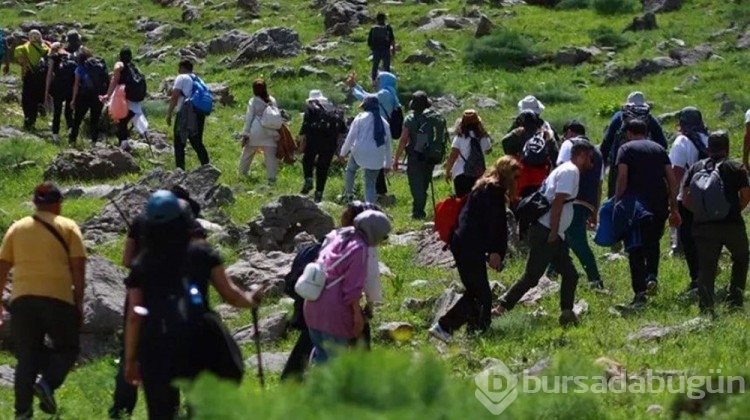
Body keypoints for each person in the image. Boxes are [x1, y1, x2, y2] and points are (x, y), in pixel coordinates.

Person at [122, 190, 262, 419]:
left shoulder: (141, 264)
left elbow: (135, 315)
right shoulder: (202, 253)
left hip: (156, 342)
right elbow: (230, 294)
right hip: (199, 338)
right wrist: (251, 299)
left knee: (161, 412)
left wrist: (130, 359)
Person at [109, 186, 202, 419]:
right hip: (181, 300)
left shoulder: (140, 221)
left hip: (141, 296)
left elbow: (127, 259)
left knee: (132, 349)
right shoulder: (191, 226)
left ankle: (121, 408)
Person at [0, 182, 87, 419]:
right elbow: (78, 269)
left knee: (27, 355)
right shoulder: (69, 227)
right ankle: (47, 384)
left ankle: (22, 412)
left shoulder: (17, 228)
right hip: (58, 297)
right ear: (58, 203)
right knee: (68, 348)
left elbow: (2, 268)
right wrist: (78, 302)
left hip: (23, 300)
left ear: (35, 204)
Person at [494, 140, 596, 326]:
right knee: (532, 276)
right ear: (581, 156)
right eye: (590, 157)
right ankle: (500, 308)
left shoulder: (565, 170)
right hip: (547, 231)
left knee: (570, 274)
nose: (593, 161)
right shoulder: (570, 171)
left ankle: (567, 312)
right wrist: (554, 232)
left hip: (552, 232)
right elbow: (558, 202)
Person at [281, 201, 385, 381]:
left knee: (316, 343)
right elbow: (366, 280)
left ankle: (292, 377)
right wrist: (368, 306)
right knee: (340, 350)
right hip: (336, 304)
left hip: (313, 297)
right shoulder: (362, 246)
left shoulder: (334, 236)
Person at [428, 156, 519, 343]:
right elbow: (497, 227)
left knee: (478, 291)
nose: (517, 181)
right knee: (480, 293)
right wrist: (496, 252)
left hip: (463, 243)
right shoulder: (494, 192)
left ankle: (476, 331)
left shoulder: (482, 187)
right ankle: (445, 326)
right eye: (515, 177)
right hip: (469, 246)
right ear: (507, 175)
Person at [304, 209, 392, 364]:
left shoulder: (339, 236)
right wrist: (357, 316)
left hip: (312, 304)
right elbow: (352, 288)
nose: (382, 241)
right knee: (336, 365)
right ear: (374, 232)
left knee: (321, 359)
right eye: (383, 236)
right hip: (333, 312)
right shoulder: (359, 248)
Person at [614, 119, 681, 308]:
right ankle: (652, 275)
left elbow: (622, 178)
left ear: (628, 133)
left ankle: (640, 293)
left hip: (635, 207)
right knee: (652, 242)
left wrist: (618, 202)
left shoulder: (625, 150)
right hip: (658, 204)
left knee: (635, 248)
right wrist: (673, 207)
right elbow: (671, 178)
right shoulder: (659, 149)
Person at [682, 131, 750, 314]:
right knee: (742, 257)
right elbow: (745, 195)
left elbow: (686, 197)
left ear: (708, 148)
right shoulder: (736, 167)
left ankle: (706, 308)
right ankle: (735, 300)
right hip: (732, 225)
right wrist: (734, 210)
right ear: (727, 147)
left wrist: (700, 212)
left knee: (706, 266)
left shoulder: (696, 167)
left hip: (703, 226)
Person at [552, 121, 605, 290]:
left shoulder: (569, 144)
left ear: (570, 133)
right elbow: (599, 184)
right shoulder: (597, 152)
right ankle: (550, 273)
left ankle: (595, 279)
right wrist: (595, 210)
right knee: (564, 239)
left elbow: (560, 169)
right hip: (586, 203)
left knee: (578, 242)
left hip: (569, 200)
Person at [668, 107, 709, 295]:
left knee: (689, 239)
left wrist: (672, 204)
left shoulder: (681, 142)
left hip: (687, 199)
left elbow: (676, 174)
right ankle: (708, 274)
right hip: (710, 197)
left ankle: (697, 279)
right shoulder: (708, 139)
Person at [392, 91, 449, 219]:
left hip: (416, 156)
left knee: (416, 184)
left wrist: (396, 159)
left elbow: (403, 139)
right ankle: (420, 207)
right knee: (424, 182)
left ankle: (418, 212)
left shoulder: (410, 119)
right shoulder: (434, 118)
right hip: (432, 156)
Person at [600, 91, 668, 198]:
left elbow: (607, 142)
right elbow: (663, 143)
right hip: (645, 164)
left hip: (620, 162)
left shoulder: (619, 117)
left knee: (616, 194)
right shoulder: (649, 118)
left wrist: (603, 163)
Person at [347, 71, 400, 203]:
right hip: (378, 129)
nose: (376, 81)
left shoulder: (385, 94)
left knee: (359, 168)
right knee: (375, 164)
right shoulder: (390, 93)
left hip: (377, 129)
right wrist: (355, 86)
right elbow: (368, 97)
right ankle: (379, 192)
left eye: (378, 79)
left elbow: (366, 98)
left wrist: (353, 87)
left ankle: (351, 194)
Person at [340, 95, 392, 203]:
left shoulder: (359, 118)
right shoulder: (384, 123)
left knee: (350, 170)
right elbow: (388, 145)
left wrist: (343, 153)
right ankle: (369, 205)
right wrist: (387, 164)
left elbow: (351, 137)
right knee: (370, 183)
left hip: (359, 151)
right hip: (377, 155)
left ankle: (348, 195)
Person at [298, 89, 346, 203]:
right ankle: (319, 193)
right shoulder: (335, 110)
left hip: (314, 139)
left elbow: (305, 127)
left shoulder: (311, 108)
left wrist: (301, 142)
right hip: (330, 142)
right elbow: (343, 129)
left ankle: (309, 179)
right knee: (323, 168)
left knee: (307, 159)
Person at [502, 109, 557, 201]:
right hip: (540, 174)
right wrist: (551, 140)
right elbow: (555, 154)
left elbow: (506, 146)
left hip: (521, 174)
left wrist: (513, 133)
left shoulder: (519, 134)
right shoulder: (544, 134)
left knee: (517, 200)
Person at [166, 60, 210, 170]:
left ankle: (180, 169)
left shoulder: (182, 78)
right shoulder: (198, 79)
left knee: (179, 140)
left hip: (185, 112)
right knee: (196, 141)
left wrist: (169, 113)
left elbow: (175, 96)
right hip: (199, 113)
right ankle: (207, 166)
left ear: (183, 68)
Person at [102, 47, 148, 152]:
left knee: (120, 120)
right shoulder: (134, 67)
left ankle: (123, 145)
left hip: (123, 99)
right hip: (134, 100)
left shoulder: (120, 64)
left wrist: (108, 94)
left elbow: (116, 76)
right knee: (124, 121)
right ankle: (124, 142)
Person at [443, 109, 492, 198]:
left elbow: (453, 156)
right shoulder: (483, 137)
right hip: (478, 174)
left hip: (461, 174)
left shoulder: (460, 137)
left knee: (462, 202)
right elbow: (488, 150)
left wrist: (447, 172)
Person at [240, 78, 280, 185]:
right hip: (271, 131)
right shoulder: (272, 100)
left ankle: (242, 174)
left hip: (256, 130)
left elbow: (249, 118)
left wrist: (245, 134)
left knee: (247, 154)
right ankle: (272, 180)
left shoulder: (253, 101)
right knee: (270, 158)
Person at [69, 48, 106, 145]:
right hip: (98, 96)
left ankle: (72, 140)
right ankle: (94, 142)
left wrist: (73, 100)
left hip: (84, 96)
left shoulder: (80, 68)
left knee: (77, 119)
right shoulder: (99, 66)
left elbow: (76, 85)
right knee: (95, 120)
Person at [13, 30, 49, 131]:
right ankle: (32, 119)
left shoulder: (24, 48)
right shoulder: (44, 48)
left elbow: (20, 60)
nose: (34, 37)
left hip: (34, 76)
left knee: (29, 99)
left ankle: (30, 121)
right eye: (33, 35)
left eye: (35, 35)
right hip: (37, 77)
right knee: (32, 99)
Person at [44, 42, 75, 144]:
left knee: (57, 111)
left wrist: (47, 91)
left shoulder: (54, 57)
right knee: (68, 112)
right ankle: (71, 130)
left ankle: (55, 136)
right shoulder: (72, 56)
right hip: (70, 86)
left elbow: (49, 75)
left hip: (58, 87)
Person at [367, 12, 395, 82]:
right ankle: (387, 81)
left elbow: (369, 42)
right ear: (384, 19)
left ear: (377, 19)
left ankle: (374, 81)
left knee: (375, 67)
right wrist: (393, 49)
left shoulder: (373, 28)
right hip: (386, 50)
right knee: (386, 67)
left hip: (376, 50)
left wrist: (372, 48)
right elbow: (392, 39)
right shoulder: (388, 28)